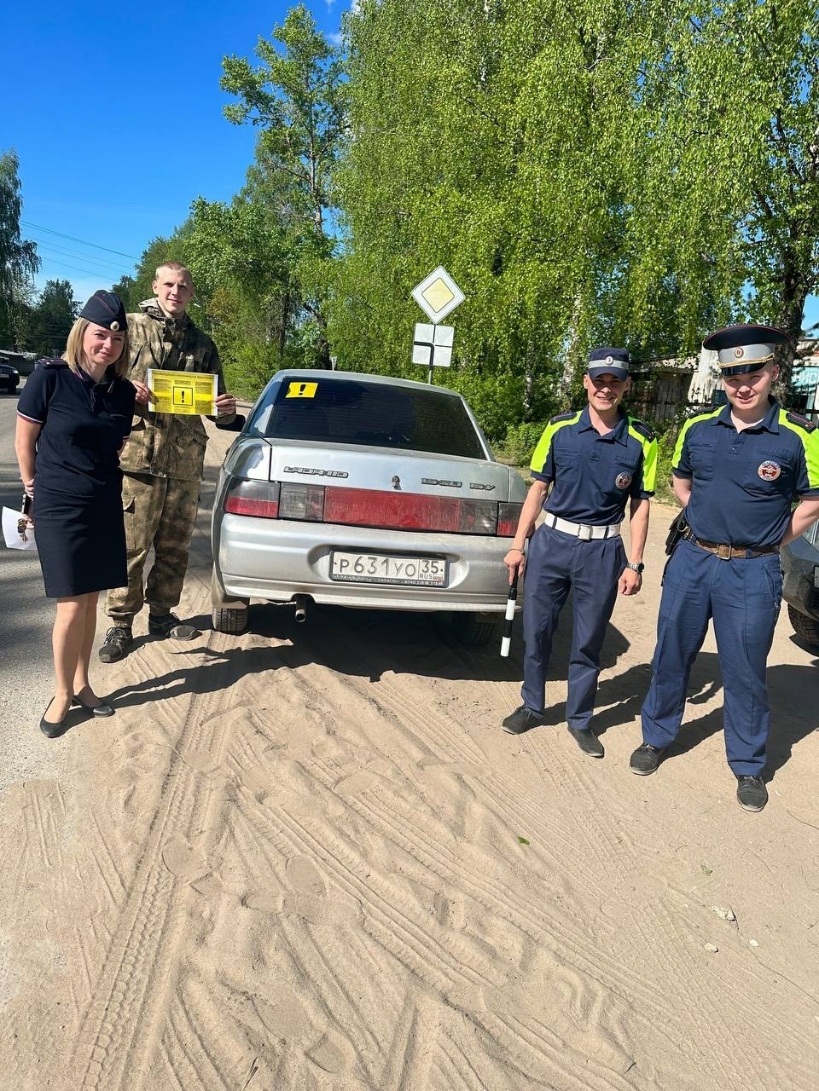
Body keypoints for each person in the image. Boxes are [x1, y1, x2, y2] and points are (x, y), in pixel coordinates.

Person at [631, 324, 819, 812]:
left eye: (752, 372)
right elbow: (682, 483)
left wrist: (770, 539)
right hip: (693, 560)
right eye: (732, 373)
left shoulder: (800, 434)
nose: (742, 383)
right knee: (671, 652)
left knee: (745, 671)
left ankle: (749, 765)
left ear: (772, 372)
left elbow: (813, 502)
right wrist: (709, 531)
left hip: (753, 573)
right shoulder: (698, 428)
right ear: (722, 378)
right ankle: (656, 737)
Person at [502, 348, 658, 756]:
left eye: (615, 382)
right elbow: (537, 488)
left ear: (626, 386)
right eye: (599, 381)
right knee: (537, 631)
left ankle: (581, 720)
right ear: (586, 383)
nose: (606, 389)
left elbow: (640, 505)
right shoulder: (559, 430)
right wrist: (518, 545)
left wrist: (635, 563)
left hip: (603, 551)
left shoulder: (642, 440)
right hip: (551, 543)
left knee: (589, 640)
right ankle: (533, 705)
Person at [99, 262, 239, 663]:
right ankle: (121, 624)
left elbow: (219, 410)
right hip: (139, 456)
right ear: (155, 287)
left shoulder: (203, 343)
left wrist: (224, 410)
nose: (175, 291)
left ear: (191, 293)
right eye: (169, 284)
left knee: (175, 547)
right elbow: (96, 376)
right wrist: (126, 389)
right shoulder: (127, 328)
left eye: (183, 286)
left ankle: (161, 616)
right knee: (131, 547)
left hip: (184, 462)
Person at [15, 292, 137, 737]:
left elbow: (115, 446)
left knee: (90, 602)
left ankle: (84, 684)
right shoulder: (49, 378)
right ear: (82, 332)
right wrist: (33, 487)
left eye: (117, 338)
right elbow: (24, 441)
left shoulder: (123, 394)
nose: (108, 344)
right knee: (70, 604)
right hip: (59, 505)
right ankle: (62, 694)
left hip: (103, 503)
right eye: (100, 334)